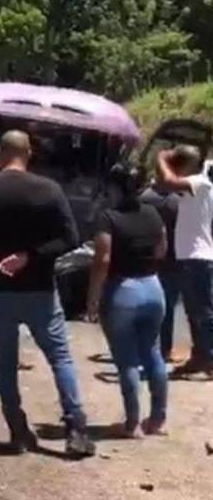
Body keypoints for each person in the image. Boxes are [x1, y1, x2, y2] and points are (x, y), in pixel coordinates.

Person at [0, 130, 95, 457]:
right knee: (60, 356)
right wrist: (31, 256)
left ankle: (18, 431)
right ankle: (76, 429)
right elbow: (70, 238)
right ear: (29, 153)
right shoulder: (48, 190)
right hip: (39, 288)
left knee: (5, 362)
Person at [87, 163, 168, 437]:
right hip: (153, 288)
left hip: (123, 291)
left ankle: (132, 422)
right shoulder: (153, 213)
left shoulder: (107, 217)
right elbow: (161, 249)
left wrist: (92, 299)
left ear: (115, 187)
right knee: (153, 354)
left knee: (127, 360)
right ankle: (157, 419)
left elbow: (103, 259)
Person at [156, 146, 213, 377]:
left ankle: (208, 357)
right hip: (192, 256)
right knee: (194, 311)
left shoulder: (200, 183)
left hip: (197, 256)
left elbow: (168, 181)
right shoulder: (198, 183)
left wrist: (161, 156)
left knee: (203, 311)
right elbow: (162, 183)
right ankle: (201, 356)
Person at [140, 183, 183, 362]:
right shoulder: (179, 201)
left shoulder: (145, 197)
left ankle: (145, 346)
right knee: (168, 307)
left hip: (147, 258)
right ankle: (164, 349)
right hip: (174, 258)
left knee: (146, 305)